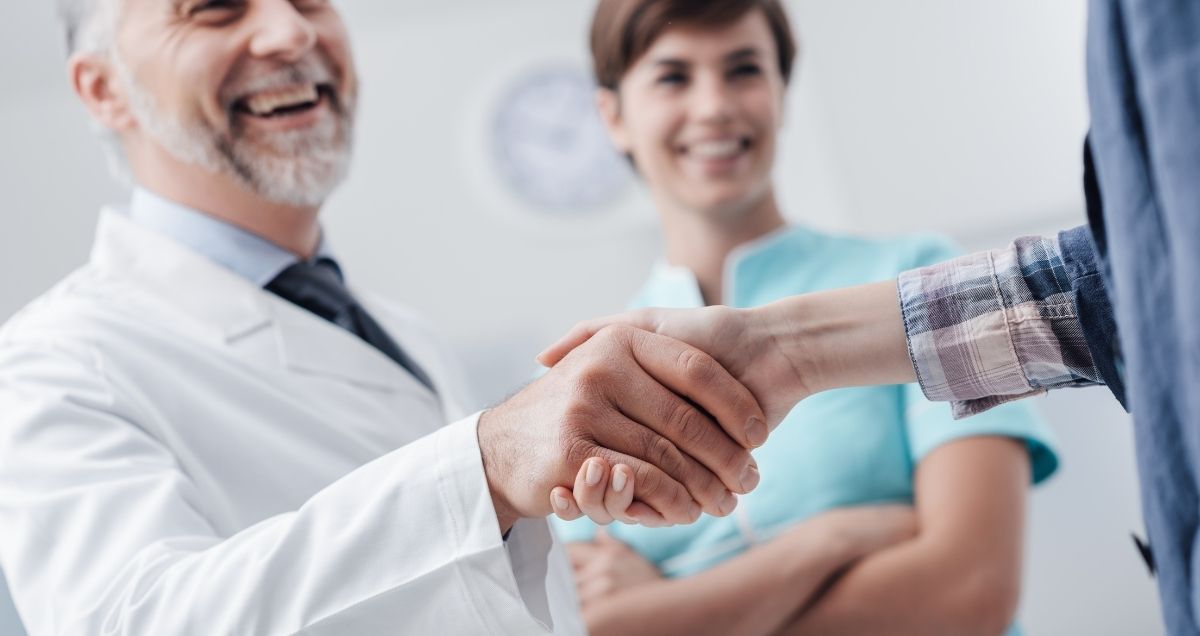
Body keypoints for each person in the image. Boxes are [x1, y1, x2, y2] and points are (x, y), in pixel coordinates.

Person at [0, 1, 775, 633]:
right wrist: (488, 467)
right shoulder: (53, 365)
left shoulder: (404, 335)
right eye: (215, 10)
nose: (292, 31)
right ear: (102, 88)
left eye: (308, 1)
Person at [543, 2, 1059, 635]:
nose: (714, 107)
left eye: (744, 69)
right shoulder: (595, 376)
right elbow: (593, 626)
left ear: (781, 93)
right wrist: (832, 541)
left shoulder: (918, 281)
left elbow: (971, 593)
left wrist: (668, 614)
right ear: (614, 117)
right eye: (673, 77)